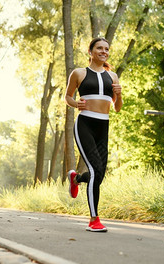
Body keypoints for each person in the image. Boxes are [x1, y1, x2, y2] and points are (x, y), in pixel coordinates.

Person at [64, 37, 123, 232]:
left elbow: (117, 108)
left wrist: (120, 94)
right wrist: (75, 104)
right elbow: (68, 96)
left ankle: (77, 179)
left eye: (106, 49)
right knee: (95, 170)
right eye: (99, 48)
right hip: (85, 124)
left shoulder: (112, 77)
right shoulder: (79, 73)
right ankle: (93, 219)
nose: (103, 51)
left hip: (103, 127)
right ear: (90, 51)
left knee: (99, 175)